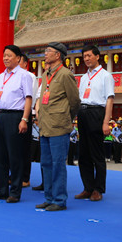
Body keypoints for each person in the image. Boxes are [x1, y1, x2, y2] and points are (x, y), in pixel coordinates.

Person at [35, 42, 81, 212]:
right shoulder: (46, 74)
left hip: (59, 126)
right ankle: (49, 197)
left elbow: (75, 101)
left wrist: (65, 117)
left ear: (58, 55)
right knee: (45, 163)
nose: (45, 54)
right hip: (45, 125)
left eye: (49, 51)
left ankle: (60, 199)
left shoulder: (65, 74)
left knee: (58, 164)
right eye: (45, 50)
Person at [0, 45, 33, 203]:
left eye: (9, 55)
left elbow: (28, 98)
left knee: (15, 156)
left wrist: (24, 119)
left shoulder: (24, 75)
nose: (6, 58)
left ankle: (14, 191)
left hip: (15, 117)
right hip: (0, 116)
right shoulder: (0, 76)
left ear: (18, 58)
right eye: (4, 55)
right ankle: (1, 189)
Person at [75, 44, 114, 202]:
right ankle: (87, 187)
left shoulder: (105, 75)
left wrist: (106, 121)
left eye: (89, 55)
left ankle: (98, 189)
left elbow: (110, 99)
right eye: (84, 56)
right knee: (83, 154)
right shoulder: (84, 77)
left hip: (97, 113)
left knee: (97, 153)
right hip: (83, 113)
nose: (87, 59)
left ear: (98, 57)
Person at [19, 54, 38, 188]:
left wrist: (26, 117)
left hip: (24, 114)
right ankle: (14, 175)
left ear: (25, 63)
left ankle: (25, 177)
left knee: (24, 148)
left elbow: (31, 97)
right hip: (12, 114)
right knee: (13, 148)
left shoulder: (29, 76)